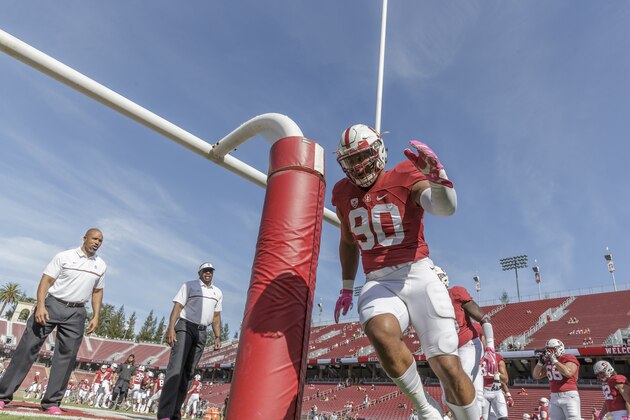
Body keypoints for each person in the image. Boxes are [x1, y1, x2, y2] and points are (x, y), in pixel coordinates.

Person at [331, 124, 478, 419]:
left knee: (447, 366)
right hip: (378, 280)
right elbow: (348, 241)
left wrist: (439, 181)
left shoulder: (403, 174)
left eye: (363, 157)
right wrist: (347, 286)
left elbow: (443, 209)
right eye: (351, 160)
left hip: (417, 271)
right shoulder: (341, 193)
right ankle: (426, 409)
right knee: (379, 331)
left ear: (379, 152)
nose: (358, 167)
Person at [0, 228, 106, 414]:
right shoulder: (64, 257)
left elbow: (97, 292)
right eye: (94, 238)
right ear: (85, 238)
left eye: (100, 241)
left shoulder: (101, 265)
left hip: (77, 312)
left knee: (66, 357)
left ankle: (51, 402)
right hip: (52, 304)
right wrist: (41, 305)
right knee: (27, 349)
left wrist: (96, 315)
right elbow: (46, 281)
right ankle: (2, 396)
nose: (97, 242)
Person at [157, 262, 223, 420]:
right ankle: (164, 414)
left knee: (188, 374)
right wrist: (171, 328)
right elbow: (177, 308)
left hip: (202, 332)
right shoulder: (189, 285)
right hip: (185, 326)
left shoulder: (217, 292)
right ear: (199, 273)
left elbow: (216, 317)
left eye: (210, 271)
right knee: (176, 370)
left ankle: (174, 413)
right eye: (205, 271)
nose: (208, 273)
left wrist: (217, 336)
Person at [436, 266, 497, 413]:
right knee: (447, 397)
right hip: (447, 350)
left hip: (467, 345)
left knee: (459, 388)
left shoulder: (455, 293)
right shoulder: (425, 303)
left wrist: (490, 348)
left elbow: (484, 319)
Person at [532, 338, 581, 419]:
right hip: (554, 396)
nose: (549, 352)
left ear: (560, 348)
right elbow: (536, 375)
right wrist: (540, 363)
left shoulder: (568, 357)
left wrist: (555, 361)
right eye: (548, 349)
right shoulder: (549, 360)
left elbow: (568, 373)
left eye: (552, 349)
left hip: (569, 395)